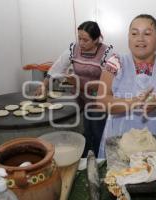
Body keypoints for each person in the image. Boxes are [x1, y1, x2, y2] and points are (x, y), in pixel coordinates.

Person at [96, 14, 156, 158]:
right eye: (134, 33)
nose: (140, 38)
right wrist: (135, 102)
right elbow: (101, 102)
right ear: (129, 38)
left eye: (147, 33)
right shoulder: (116, 62)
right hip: (120, 145)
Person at [37, 21, 114, 157]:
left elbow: (108, 83)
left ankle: (99, 159)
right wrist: (44, 85)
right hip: (81, 97)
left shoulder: (107, 54)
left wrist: (78, 83)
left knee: (97, 131)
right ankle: (85, 159)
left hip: (99, 98)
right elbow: (58, 66)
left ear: (96, 39)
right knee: (86, 130)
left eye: (86, 40)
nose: (81, 43)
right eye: (79, 38)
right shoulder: (74, 49)